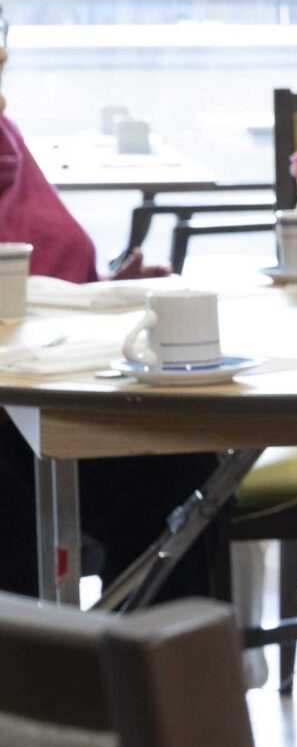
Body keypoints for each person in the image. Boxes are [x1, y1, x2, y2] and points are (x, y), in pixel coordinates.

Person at [0, 42, 217, 602]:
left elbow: (44, 269)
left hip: (59, 382)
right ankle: (33, 654)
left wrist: (103, 290)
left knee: (180, 462)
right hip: (16, 406)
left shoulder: (9, 140)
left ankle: (160, 652)